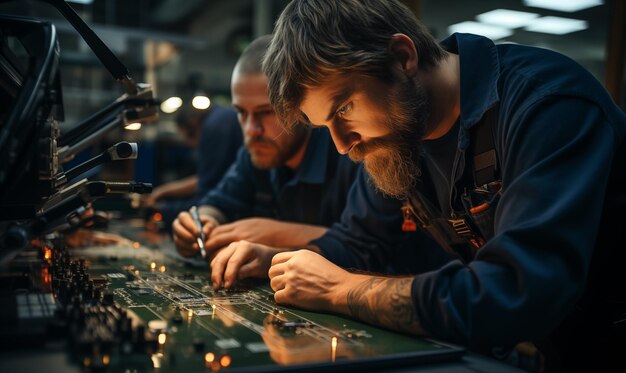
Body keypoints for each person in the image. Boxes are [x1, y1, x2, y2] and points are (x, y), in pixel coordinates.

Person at [254, 0, 626, 371]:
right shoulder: (397, 134)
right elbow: (357, 242)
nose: (341, 144)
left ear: (402, 57)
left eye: (344, 109)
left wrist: (341, 291)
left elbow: (516, 293)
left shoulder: (547, 104)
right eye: (325, 126)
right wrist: (272, 262)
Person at [172, 35, 360, 289]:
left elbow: (364, 246)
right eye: (241, 113)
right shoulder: (256, 153)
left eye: (265, 112)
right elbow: (216, 204)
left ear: (300, 105)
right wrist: (200, 223)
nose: (251, 129)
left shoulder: (348, 151)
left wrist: (272, 232)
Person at [143, 103, 242, 226]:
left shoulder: (214, 128)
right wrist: (163, 191)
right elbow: (206, 178)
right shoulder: (220, 118)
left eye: (188, 140)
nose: (193, 147)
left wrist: (162, 210)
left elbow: (209, 195)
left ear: (192, 128)